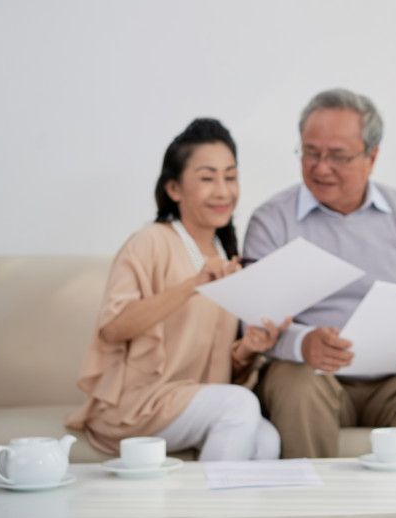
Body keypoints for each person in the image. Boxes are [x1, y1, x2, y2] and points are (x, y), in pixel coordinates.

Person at [244, 88, 396, 459]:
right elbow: (253, 324)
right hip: (312, 376)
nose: (321, 167)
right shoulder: (272, 220)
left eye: (337, 155)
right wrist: (303, 343)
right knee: (293, 380)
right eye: (310, 152)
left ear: (372, 157)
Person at [67, 118, 288, 461]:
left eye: (230, 176)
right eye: (207, 178)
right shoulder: (149, 242)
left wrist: (245, 350)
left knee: (268, 438)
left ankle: (231, 515)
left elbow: (214, 371)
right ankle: (205, 514)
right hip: (137, 405)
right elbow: (112, 328)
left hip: (187, 403)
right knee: (240, 405)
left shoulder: (227, 257)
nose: (223, 191)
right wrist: (193, 285)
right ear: (174, 189)